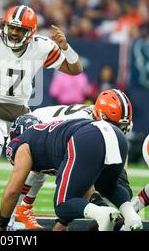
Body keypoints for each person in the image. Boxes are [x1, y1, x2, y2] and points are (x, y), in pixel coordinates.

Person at [0, 4, 83, 229]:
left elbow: (75, 69)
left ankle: (21, 209)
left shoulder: (42, 46)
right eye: (12, 27)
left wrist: (66, 47)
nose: (14, 33)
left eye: (20, 29)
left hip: (20, 112)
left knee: (39, 156)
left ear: (31, 32)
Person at [0, 115, 143, 231]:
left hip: (87, 138)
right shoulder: (49, 138)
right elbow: (84, 185)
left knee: (62, 204)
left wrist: (1, 224)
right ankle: (130, 215)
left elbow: (13, 190)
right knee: (107, 186)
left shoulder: (23, 143)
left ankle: (102, 214)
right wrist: (63, 221)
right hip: (115, 133)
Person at [15, 89, 134, 229]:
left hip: (67, 136)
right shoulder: (84, 124)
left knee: (110, 184)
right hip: (39, 124)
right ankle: (21, 210)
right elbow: (79, 174)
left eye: (121, 126)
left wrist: (120, 181)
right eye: (115, 125)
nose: (118, 128)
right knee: (34, 170)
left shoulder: (110, 124)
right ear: (100, 115)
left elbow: (117, 164)